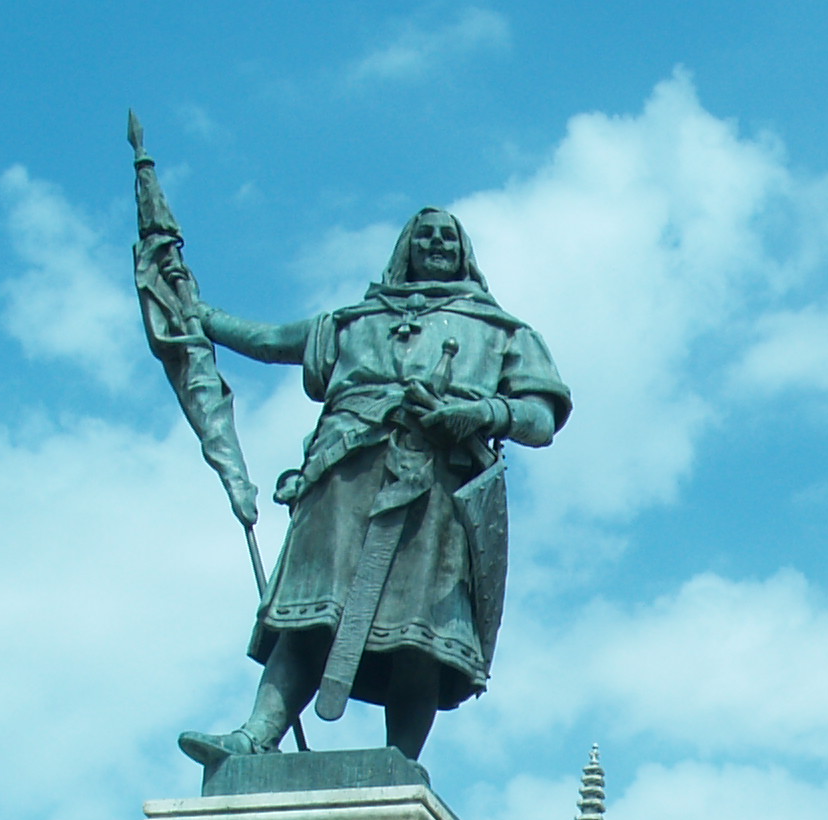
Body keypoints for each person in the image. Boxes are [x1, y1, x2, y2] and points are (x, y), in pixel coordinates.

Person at [177, 209, 570, 771]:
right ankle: (254, 736)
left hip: (434, 486)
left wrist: (483, 412)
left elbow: (540, 418)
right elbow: (268, 340)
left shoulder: (502, 332)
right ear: (405, 248)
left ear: (465, 252)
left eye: (449, 236)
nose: (437, 243)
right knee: (310, 613)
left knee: (419, 633)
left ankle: (398, 765)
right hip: (342, 475)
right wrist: (197, 315)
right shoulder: (353, 322)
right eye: (425, 235)